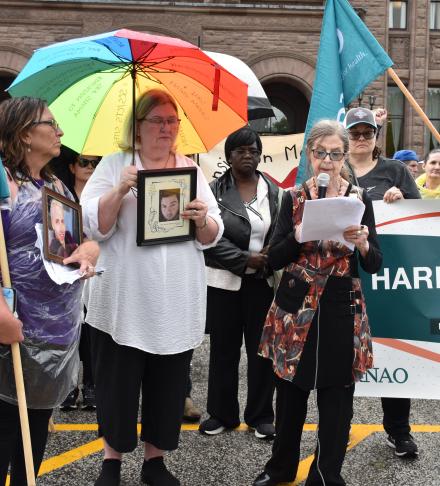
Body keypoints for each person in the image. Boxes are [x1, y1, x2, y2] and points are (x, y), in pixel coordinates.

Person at [80, 89, 223, 486]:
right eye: (157, 121)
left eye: (172, 121)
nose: (166, 128)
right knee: (117, 383)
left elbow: (212, 235)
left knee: (167, 382)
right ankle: (111, 461)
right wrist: (120, 189)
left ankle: (155, 461)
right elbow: (95, 224)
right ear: (138, 128)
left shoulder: (190, 171)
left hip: (173, 298)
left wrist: (200, 218)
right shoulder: (114, 165)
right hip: (123, 298)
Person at [253, 119, 382, 486]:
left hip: (341, 304)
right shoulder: (292, 198)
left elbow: (374, 263)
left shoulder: (359, 200)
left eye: (335, 154)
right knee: (290, 394)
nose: (327, 161)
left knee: (337, 397)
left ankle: (326, 475)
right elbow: (273, 258)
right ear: (309, 154)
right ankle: (280, 469)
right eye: (321, 152)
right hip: (297, 303)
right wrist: (296, 235)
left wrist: (362, 243)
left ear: (345, 157)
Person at [0, 96, 99, 485]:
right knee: (5, 427)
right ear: (25, 133)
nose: (59, 132)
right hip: (11, 326)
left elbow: (81, 241)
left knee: (35, 429)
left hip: (55, 332)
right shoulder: (3, 183)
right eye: (51, 124)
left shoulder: (57, 185)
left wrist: (88, 252)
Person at [344, 106, 421, 458]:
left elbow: (421, 219)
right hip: (344, 275)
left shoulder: (395, 170)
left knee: (391, 350)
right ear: (346, 135)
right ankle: (337, 425)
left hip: (389, 276)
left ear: (376, 137)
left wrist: (402, 200)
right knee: (342, 355)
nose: (361, 138)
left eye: (367, 132)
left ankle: (398, 430)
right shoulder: (336, 169)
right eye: (355, 132)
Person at [199, 127, 279, 440]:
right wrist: (245, 258)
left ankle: (260, 416)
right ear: (229, 156)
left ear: (260, 155)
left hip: (262, 284)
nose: (248, 156)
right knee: (223, 351)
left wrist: (271, 256)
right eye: (241, 150)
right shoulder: (212, 190)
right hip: (224, 282)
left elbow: (282, 229)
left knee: (262, 352)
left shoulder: (273, 190)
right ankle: (221, 414)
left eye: (253, 150)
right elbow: (208, 236)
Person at [52, 153, 101, 411]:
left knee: (92, 330)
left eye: (94, 163)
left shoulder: (101, 195)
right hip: (70, 270)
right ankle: (70, 385)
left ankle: (91, 385)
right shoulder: (61, 196)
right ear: (72, 167)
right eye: (84, 162)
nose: (90, 167)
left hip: (96, 269)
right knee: (72, 330)